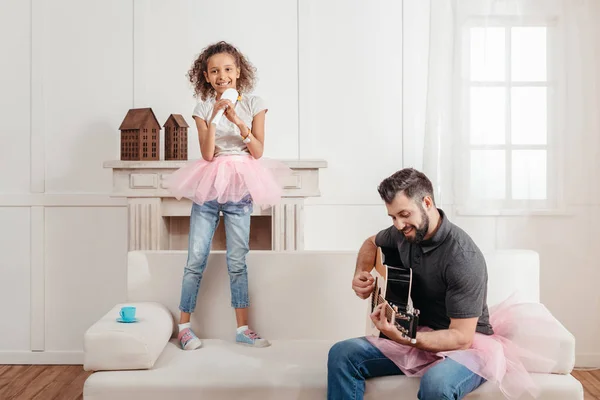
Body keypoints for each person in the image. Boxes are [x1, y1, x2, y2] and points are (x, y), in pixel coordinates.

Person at [327, 168, 552, 400]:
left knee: (437, 383)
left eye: (404, 214)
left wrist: (404, 338)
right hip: (419, 332)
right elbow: (371, 243)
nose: (398, 224)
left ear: (427, 202)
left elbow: (461, 338)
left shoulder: (463, 257)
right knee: (342, 353)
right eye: (393, 217)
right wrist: (361, 272)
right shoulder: (402, 233)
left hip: (468, 346)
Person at [166, 41, 291, 351]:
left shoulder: (254, 103)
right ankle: (184, 327)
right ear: (206, 77)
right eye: (214, 71)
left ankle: (242, 328)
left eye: (227, 69)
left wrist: (236, 118)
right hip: (209, 183)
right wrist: (214, 117)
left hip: (240, 185)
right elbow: (208, 154)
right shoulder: (200, 109)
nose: (221, 75)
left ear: (238, 72)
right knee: (196, 258)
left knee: (238, 260)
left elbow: (258, 151)